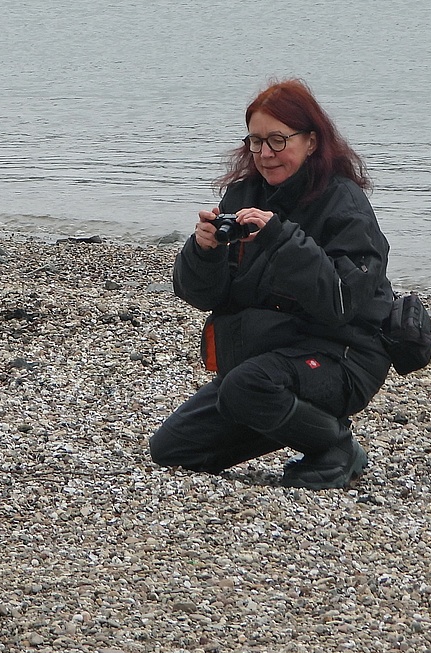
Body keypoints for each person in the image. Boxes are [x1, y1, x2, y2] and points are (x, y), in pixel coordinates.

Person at [148, 79, 395, 490]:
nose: (265, 154)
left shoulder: (344, 204)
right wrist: (203, 251)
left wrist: (281, 238)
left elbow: (341, 300)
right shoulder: (243, 196)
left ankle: (336, 446)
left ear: (311, 142)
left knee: (248, 386)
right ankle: (295, 420)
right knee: (173, 450)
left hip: (343, 357)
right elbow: (202, 295)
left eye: (278, 140)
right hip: (265, 360)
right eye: (256, 141)